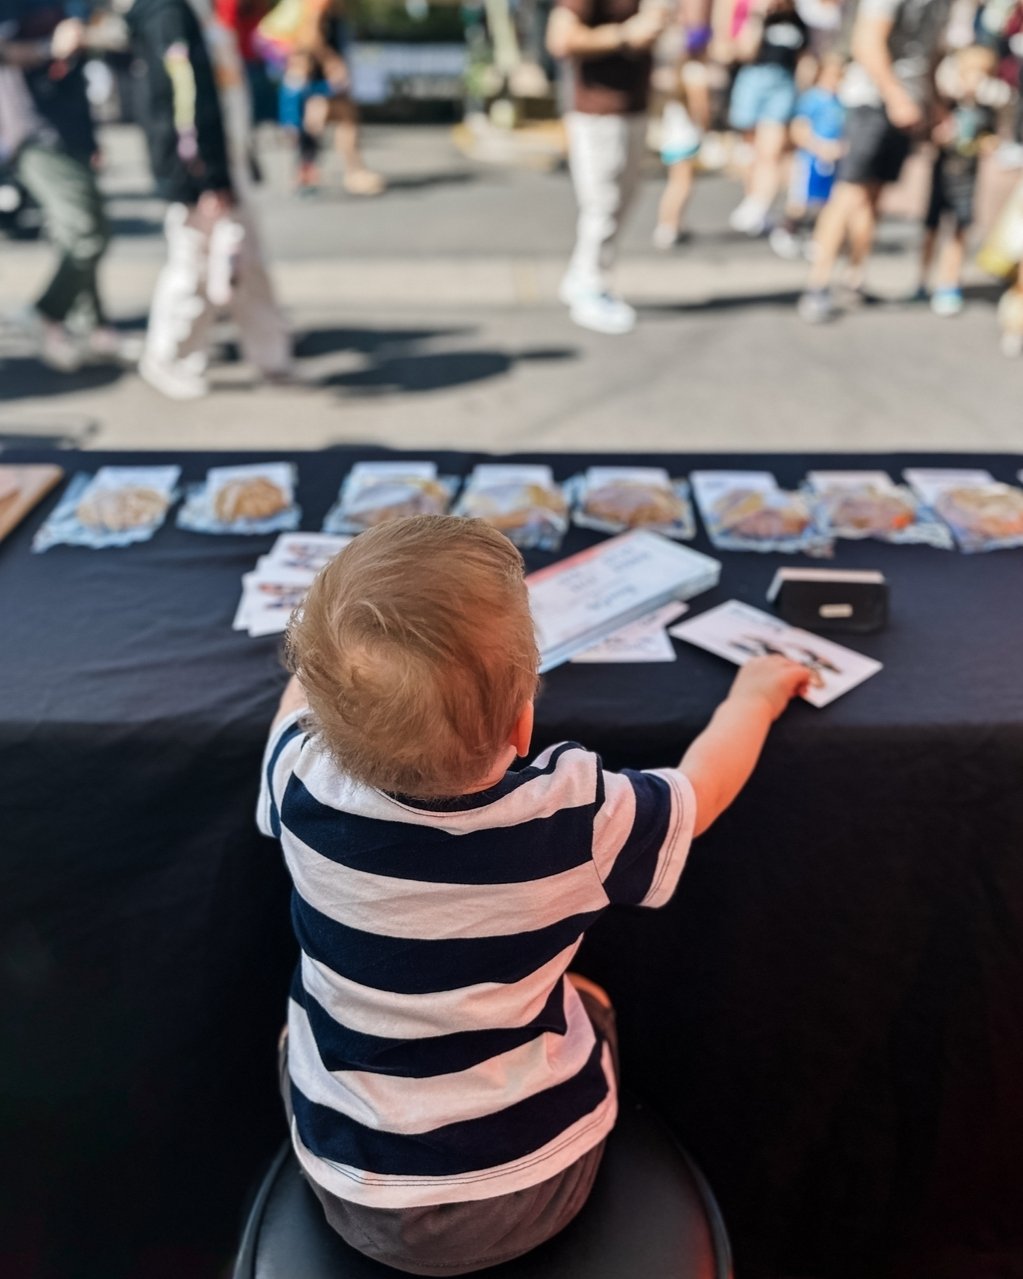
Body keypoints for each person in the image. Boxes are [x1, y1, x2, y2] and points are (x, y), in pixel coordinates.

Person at [257, 514, 809, 1275]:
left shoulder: (296, 774)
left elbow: (295, 709)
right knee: (590, 1002)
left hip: (358, 1191)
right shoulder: (577, 815)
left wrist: (330, 654)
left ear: (325, 718)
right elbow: (699, 792)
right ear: (523, 722)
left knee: (300, 1030)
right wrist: (755, 697)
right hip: (534, 1184)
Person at [123, 0, 291, 399]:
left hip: (225, 162)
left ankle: (272, 355)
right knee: (194, 266)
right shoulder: (168, 12)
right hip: (199, 169)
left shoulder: (200, 10)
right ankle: (168, 356)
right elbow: (179, 97)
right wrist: (205, 174)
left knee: (247, 263)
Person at [799, 0, 954, 323]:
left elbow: (929, 55)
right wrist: (896, 97)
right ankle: (818, 284)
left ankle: (855, 277)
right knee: (849, 194)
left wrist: (936, 105)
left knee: (874, 197)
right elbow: (867, 44)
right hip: (871, 101)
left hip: (908, 102)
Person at [0, 1, 123, 370]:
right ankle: (44, 314)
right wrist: (47, 48)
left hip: (74, 131)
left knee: (88, 227)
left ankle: (94, 325)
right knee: (83, 232)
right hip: (35, 134)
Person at [546, 0, 669, 335]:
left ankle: (582, 276)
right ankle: (590, 286)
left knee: (623, 201)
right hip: (597, 114)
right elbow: (560, 39)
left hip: (634, 107)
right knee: (602, 204)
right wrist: (624, 35)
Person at [918, 44, 1002, 316]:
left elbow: (991, 136)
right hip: (943, 173)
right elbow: (930, 135)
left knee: (958, 229)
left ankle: (949, 281)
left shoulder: (986, 109)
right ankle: (922, 279)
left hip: (967, 176)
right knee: (931, 227)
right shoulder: (947, 105)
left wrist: (989, 144)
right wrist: (939, 135)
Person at [276, 0, 384, 196]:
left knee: (337, 120)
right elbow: (310, 37)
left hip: (317, 76)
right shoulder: (320, 4)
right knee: (337, 118)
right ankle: (351, 172)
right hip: (320, 76)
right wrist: (331, 62)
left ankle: (312, 169)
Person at [726, 0, 810, 237]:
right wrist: (756, 18)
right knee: (750, 151)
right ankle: (755, 201)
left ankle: (759, 203)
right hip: (753, 79)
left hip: (783, 84)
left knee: (770, 152)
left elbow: (804, 59)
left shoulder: (798, 22)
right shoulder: (759, 18)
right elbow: (745, 51)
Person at [769, 49, 846, 259]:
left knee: (826, 202)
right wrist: (818, 147)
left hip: (832, 160)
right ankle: (786, 230)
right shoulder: (812, 99)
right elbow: (798, 130)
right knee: (800, 201)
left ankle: (817, 238)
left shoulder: (842, 102)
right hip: (810, 158)